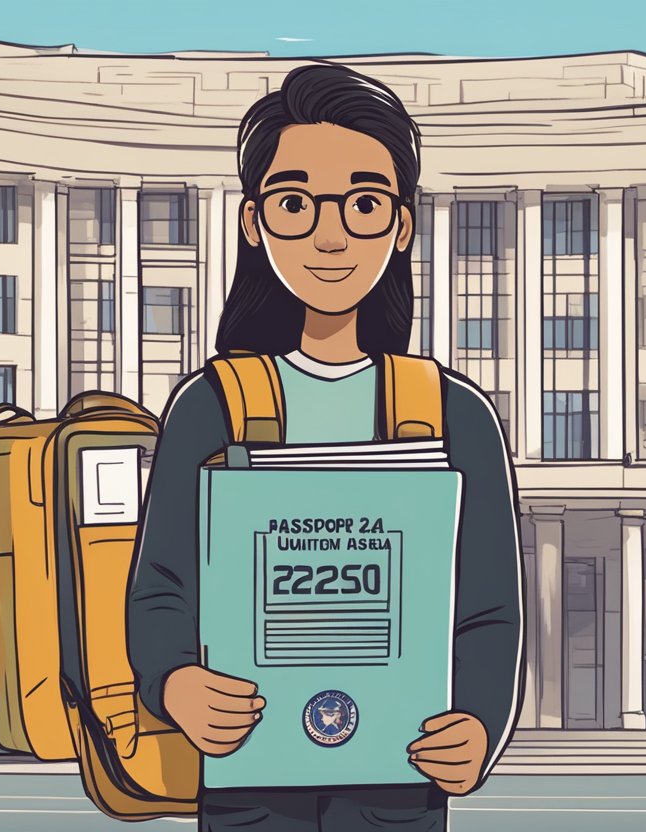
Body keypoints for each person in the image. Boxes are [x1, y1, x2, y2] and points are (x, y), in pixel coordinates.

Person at [126, 61, 525, 832]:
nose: (330, 234)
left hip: (398, 785)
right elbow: (160, 586)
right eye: (296, 203)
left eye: (365, 204)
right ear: (255, 222)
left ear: (402, 224)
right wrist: (176, 684)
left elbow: (487, 608)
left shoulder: (451, 414)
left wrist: (478, 724)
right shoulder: (214, 406)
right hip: (249, 782)